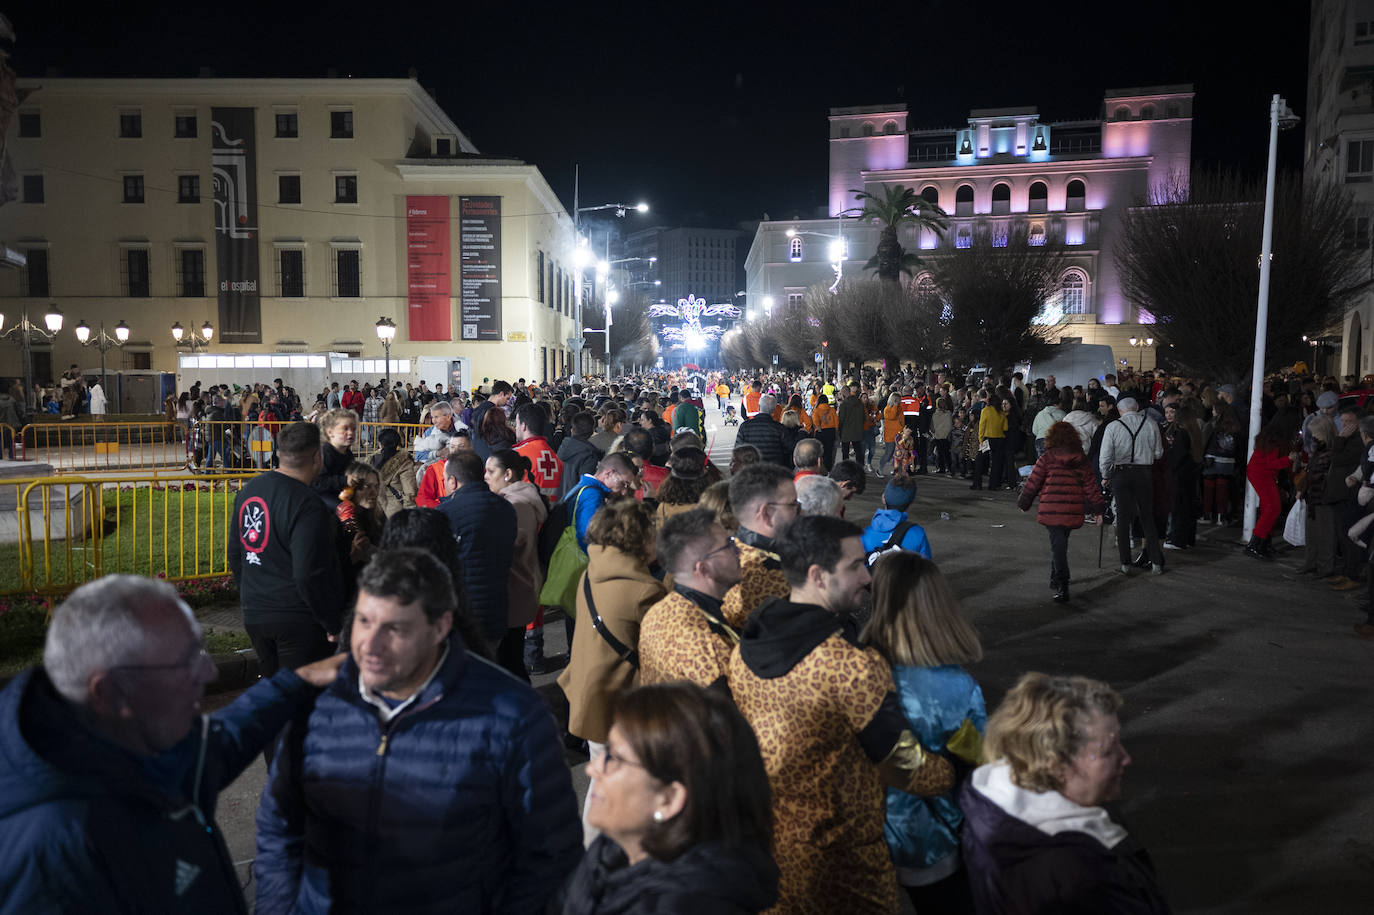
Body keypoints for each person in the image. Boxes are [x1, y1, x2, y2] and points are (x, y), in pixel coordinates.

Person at [254, 549, 583, 914]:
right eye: (364, 621)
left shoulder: (514, 717)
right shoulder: (315, 705)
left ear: (440, 626)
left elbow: (551, 857)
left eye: (395, 628)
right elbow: (279, 828)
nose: (370, 646)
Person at [0, 575, 343, 914]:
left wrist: (298, 682)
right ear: (108, 692)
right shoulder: (50, 858)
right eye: (185, 663)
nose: (209, 673)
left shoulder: (135, 744)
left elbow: (222, 739)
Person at [727, 515, 955, 915]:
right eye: (855, 566)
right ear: (818, 575)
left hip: (766, 848)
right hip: (841, 862)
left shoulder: (747, 645)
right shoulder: (850, 666)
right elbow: (907, 769)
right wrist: (961, 762)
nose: (868, 577)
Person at [558, 682, 779, 915]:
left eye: (615, 759)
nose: (592, 769)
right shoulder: (613, 851)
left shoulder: (682, 906)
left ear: (669, 799)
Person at [960, 673, 1170, 914]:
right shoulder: (1077, 875)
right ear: (1056, 764)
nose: (1126, 758)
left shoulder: (992, 810)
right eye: (1108, 751)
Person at [862, 554, 986, 914]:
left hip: (864, 833)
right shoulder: (957, 688)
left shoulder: (854, 670)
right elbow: (980, 762)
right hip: (931, 839)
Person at [230, 422, 346, 679]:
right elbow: (308, 572)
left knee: (274, 699)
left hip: (255, 614)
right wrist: (331, 622)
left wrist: (250, 599)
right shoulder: (308, 504)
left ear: (279, 453)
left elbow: (235, 554)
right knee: (300, 702)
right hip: (297, 619)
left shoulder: (249, 491)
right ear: (317, 457)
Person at [557, 499, 666, 769]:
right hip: (624, 706)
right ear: (641, 538)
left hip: (591, 695)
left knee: (603, 779)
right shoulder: (644, 591)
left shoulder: (590, 574)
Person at [640, 508, 743, 687]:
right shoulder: (710, 652)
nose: (739, 550)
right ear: (703, 569)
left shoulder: (658, 610)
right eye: (729, 545)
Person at [1018, 421, 1107, 603]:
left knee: (1058, 546)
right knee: (1060, 543)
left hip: (1052, 507)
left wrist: (1024, 502)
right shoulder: (1080, 458)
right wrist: (1098, 509)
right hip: (1072, 508)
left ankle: (1062, 583)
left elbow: (1033, 482)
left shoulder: (1047, 457)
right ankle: (1055, 577)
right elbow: (1091, 485)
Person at [437, 450, 517, 650]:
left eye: (445, 480)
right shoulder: (506, 508)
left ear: (453, 481)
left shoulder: (446, 513)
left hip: (462, 613)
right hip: (498, 607)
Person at [486, 449, 547, 681]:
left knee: (510, 663)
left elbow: (507, 545)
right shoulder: (522, 498)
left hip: (514, 590)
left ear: (508, 474)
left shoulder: (515, 505)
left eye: (491, 471)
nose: (486, 476)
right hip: (521, 588)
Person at [721, 463, 797, 629]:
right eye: (793, 504)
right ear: (767, 513)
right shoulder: (777, 579)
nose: (800, 511)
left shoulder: (721, 556)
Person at [1099, 397, 1166, 576]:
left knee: (1122, 518)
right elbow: (1159, 453)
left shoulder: (1113, 427)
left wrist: (1105, 476)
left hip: (1121, 473)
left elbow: (1105, 457)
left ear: (1120, 410)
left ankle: (1125, 563)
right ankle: (1156, 563)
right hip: (1144, 473)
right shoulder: (1152, 424)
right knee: (1147, 517)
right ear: (1137, 408)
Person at [1244, 425, 1292, 560]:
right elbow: (1273, 464)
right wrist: (1289, 459)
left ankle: (1263, 544)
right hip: (1262, 475)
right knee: (1273, 508)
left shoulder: (1266, 442)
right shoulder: (1273, 444)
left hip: (1259, 474)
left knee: (1269, 508)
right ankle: (1255, 544)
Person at [861, 479, 933, 564]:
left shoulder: (864, 534)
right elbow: (927, 567)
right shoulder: (917, 533)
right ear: (910, 505)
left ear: (883, 498)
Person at [514, 402, 564, 499]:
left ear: (523, 426)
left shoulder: (516, 455)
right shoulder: (556, 458)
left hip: (527, 510)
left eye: (517, 424)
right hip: (552, 511)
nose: (516, 428)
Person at [310, 408, 358, 505]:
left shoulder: (348, 454)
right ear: (330, 432)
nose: (350, 433)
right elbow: (317, 483)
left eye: (353, 429)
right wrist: (344, 480)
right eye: (345, 429)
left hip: (341, 494)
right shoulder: (325, 453)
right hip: (321, 498)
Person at [735, 393, 789, 466]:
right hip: (774, 470)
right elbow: (787, 451)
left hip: (751, 470)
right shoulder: (780, 428)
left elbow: (738, 449)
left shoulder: (745, 426)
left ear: (758, 406)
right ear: (773, 410)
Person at [558, 411, 603, 497]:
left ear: (572, 430)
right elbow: (586, 486)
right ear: (592, 432)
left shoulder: (563, 447)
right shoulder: (590, 455)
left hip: (557, 500)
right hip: (575, 503)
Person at [838, 385, 865, 462]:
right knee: (858, 451)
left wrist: (839, 431)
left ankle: (846, 468)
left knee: (845, 452)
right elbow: (863, 417)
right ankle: (860, 467)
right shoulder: (859, 402)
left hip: (846, 431)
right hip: (857, 430)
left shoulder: (844, 405)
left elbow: (841, 419)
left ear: (843, 393)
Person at [811, 393, 839, 470]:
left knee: (819, 451)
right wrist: (836, 430)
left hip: (820, 432)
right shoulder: (832, 409)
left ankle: (819, 468)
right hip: (831, 431)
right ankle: (828, 468)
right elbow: (836, 421)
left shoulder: (816, 410)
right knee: (829, 451)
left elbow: (815, 421)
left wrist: (818, 427)